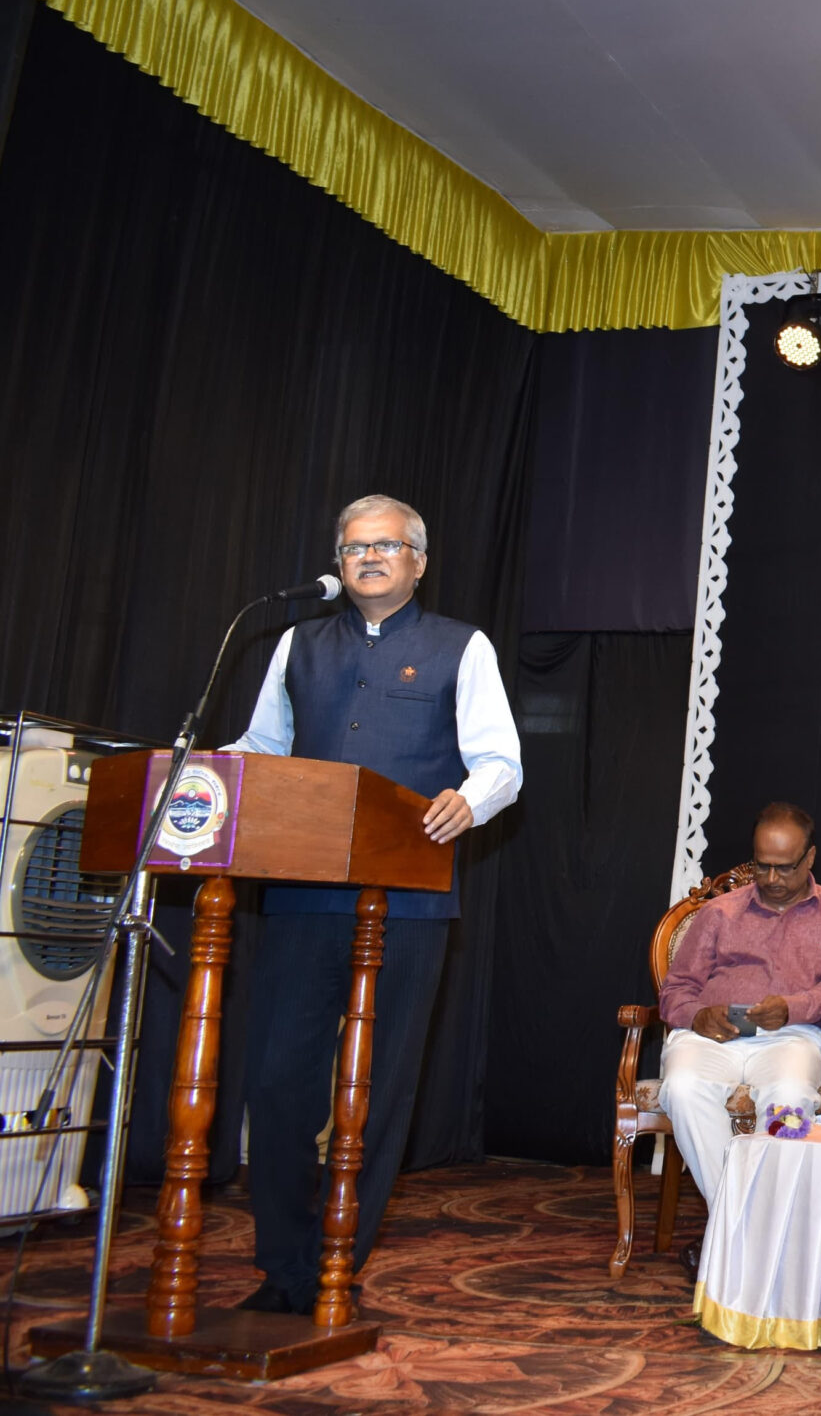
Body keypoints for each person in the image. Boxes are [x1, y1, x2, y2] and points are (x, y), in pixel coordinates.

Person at [228, 494, 523, 1317]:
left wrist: (470, 800)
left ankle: (336, 1264)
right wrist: (199, 774)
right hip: (299, 894)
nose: (369, 557)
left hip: (408, 901)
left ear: (418, 562)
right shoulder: (296, 643)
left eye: (387, 546)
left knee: (377, 1091)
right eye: (355, 547)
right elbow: (261, 749)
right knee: (277, 1084)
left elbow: (501, 762)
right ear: (338, 562)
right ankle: (284, 1266)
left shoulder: (462, 646)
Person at [656, 802, 821, 1198]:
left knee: (790, 1095)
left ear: (810, 857)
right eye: (762, 865)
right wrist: (698, 1016)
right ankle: (744, 1216)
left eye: (784, 867)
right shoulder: (718, 912)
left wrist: (792, 1008)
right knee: (682, 1088)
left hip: (792, 1036)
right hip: (710, 1039)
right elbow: (675, 990)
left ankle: (734, 1220)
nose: (771, 879)